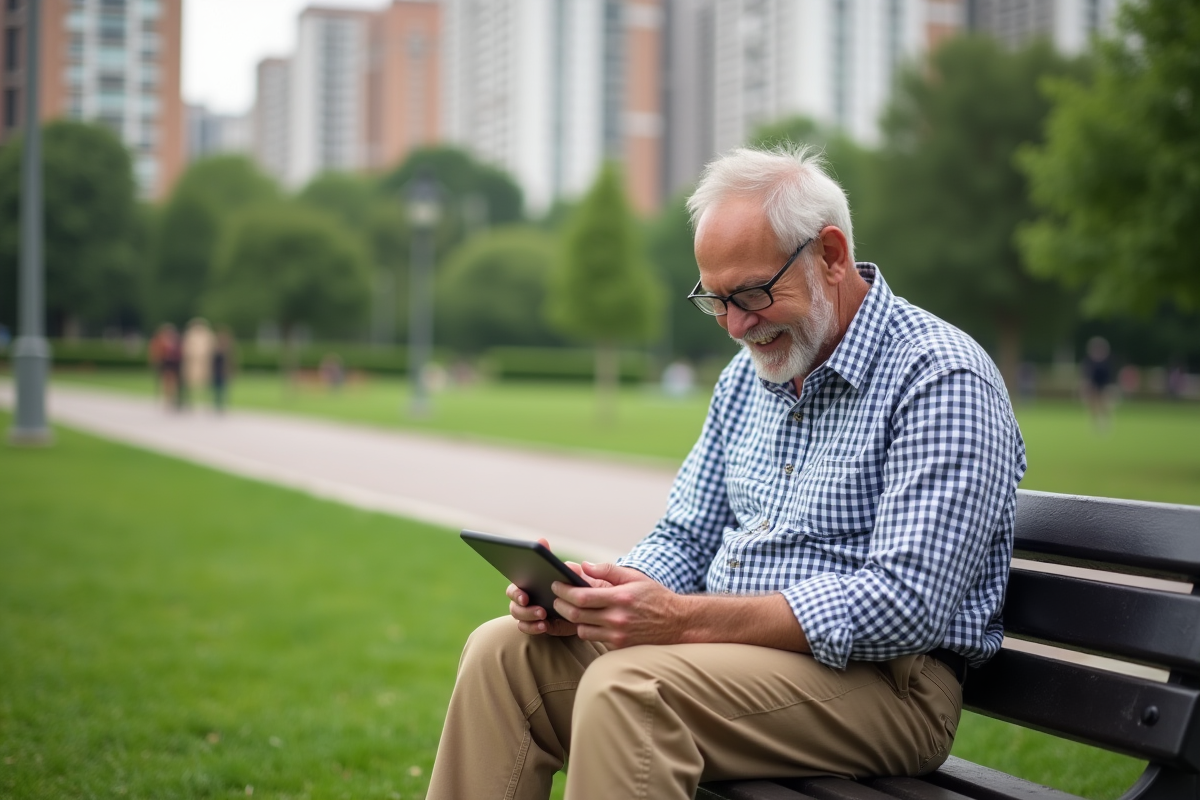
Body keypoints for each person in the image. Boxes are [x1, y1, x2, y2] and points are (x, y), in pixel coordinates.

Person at [426, 146, 1027, 800]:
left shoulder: (941, 379)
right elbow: (686, 535)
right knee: (502, 656)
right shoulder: (749, 377)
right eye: (716, 301)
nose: (737, 326)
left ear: (830, 254)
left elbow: (905, 604)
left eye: (752, 293)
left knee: (633, 691)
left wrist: (680, 620)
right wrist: (613, 593)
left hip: (888, 686)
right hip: (733, 661)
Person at [181, 318, 217, 410]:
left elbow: (212, 348)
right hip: (193, 363)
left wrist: (205, 356)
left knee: (206, 383)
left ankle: (206, 402)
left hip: (205, 363)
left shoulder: (208, 335)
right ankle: (190, 401)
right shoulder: (190, 335)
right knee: (190, 383)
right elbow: (186, 348)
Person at [1081, 336, 1113, 431]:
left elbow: (1109, 376)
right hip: (1093, 386)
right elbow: (1086, 374)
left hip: (1104, 386)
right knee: (1093, 405)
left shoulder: (1106, 362)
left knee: (1104, 405)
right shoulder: (1089, 361)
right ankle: (1095, 423)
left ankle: (1106, 423)